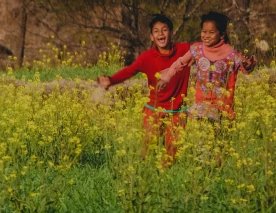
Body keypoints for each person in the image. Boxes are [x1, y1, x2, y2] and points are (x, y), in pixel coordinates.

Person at [97, 14, 191, 160]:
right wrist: (111, 80)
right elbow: (130, 71)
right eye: (156, 31)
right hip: (154, 110)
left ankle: (165, 178)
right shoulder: (146, 57)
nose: (161, 34)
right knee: (147, 148)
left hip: (178, 111)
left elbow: (204, 49)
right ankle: (143, 173)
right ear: (151, 37)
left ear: (171, 33)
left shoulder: (184, 50)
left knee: (173, 152)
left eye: (165, 30)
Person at [157, 11, 256, 122]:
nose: (206, 36)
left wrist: (248, 65)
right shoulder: (197, 50)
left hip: (223, 106)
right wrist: (166, 78)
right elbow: (180, 63)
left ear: (222, 35)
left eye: (211, 32)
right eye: (204, 31)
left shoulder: (230, 54)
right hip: (202, 104)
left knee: (221, 135)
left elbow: (245, 67)